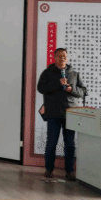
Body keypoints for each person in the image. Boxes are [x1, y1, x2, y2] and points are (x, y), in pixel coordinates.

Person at [37, 48, 87, 181]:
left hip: (70, 113)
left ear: (67, 58)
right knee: (51, 142)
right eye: (59, 56)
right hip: (53, 112)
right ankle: (49, 169)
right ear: (54, 58)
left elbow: (83, 91)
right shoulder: (47, 73)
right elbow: (41, 88)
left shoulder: (74, 74)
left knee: (70, 144)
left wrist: (72, 89)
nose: (62, 58)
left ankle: (69, 171)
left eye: (64, 55)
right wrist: (58, 84)